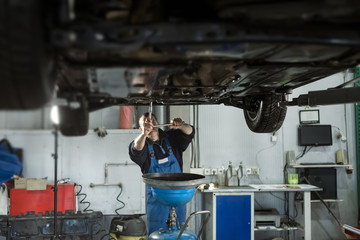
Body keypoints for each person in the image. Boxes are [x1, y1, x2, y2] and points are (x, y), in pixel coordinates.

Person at [128, 112, 195, 235]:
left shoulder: (172, 138)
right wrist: (144, 134)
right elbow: (135, 149)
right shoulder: (142, 146)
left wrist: (181, 125)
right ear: (140, 129)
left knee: (180, 234)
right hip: (157, 201)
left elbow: (190, 132)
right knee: (157, 235)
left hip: (179, 197)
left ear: (158, 123)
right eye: (146, 123)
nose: (150, 124)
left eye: (152, 121)